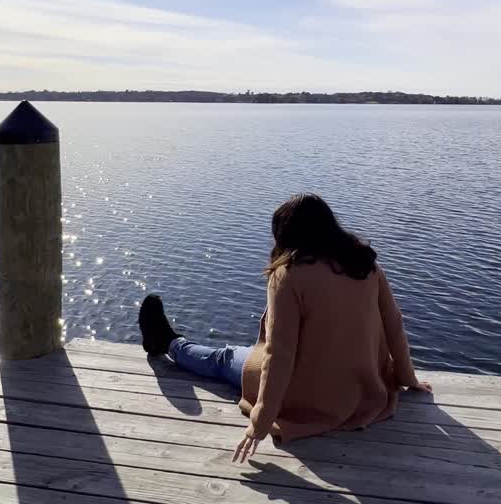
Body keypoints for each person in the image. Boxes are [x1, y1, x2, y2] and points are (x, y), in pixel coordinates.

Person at [137, 193, 432, 463]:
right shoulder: (363, 263)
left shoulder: (288, 275)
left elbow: (280, 355)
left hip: (309, 395)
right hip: (365, 392)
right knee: (244, 354)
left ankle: (169, 343)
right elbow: (394, 324)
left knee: (224, 358)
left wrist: (260, 423)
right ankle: (170, 342)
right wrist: (408, 378)